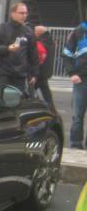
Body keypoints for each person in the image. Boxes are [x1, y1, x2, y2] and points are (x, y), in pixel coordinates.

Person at [0, 2, 39, 95]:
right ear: (13, 13)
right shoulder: (1, 29)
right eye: (21, 13)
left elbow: (33, 54)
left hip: (20, 75)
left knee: (18, 103)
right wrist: (7, 49)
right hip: (3, 73)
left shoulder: (28, 32)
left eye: (26, 13)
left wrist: (34, 74)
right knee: (1, 102)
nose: (24, 15)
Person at [62, 19, 87, 148]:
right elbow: (66, 54)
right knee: (78, 116)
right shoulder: (78, 32)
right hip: (81, 80)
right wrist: (72, 73)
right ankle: (76, 144)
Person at [34, 25, 56, 110]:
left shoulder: (40, 42)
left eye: (35, 31)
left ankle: (42, 107)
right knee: (45, 91)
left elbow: (38, 56)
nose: (33, 33)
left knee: (30, 91)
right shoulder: (50, 41)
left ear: (39, 33)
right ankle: (51, 108)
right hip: (46, 70)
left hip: (39, 70)